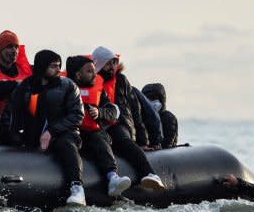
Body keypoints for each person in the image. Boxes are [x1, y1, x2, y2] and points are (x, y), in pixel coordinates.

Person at [1, 50, 86, 206]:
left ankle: (77, 188)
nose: (58, 70)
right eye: (53, 66)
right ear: (42, 67)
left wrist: (51, 131)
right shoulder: (24, 87)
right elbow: (9, 113)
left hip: (63, 133)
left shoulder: (68, 85)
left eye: (59, 66)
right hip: (32, 135)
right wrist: (15, 136)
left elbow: (77, 115)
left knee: (66, 144)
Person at [65, 55, 158, 197]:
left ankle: (113, 177)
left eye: (93, 71)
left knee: (101, 141)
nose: (94, 74)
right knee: (68, 144)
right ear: (78, 75)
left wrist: (100, 112)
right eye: (90, 71)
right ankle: (76, 187)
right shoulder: (64, 89)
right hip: (70, 132)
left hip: (94, 131)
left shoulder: (99, 90)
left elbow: (114, 110)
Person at [92, 47, 166, 191]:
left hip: (120, 124)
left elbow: (136, 112)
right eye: (107, 64)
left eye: (113, 63)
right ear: (98, 64)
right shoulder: (90, 82)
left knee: (122, 140)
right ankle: (111, 178)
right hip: (98, 128)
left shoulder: (121, 81)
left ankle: (150, 174)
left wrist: (143, 141)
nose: (111, 67)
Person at [0, 30, 32, 144]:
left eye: (16, 47)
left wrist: (5, 86)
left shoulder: (26, 69)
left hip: (18, 122)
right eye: (9, 47)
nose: (14, 51)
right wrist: (17, 86)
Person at [142, 83, 178, 148]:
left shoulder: (168, 118)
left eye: (153, 98)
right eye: (147, 99)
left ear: (161, 101)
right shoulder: (141, 117)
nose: (149, 102)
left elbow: (168, 143)